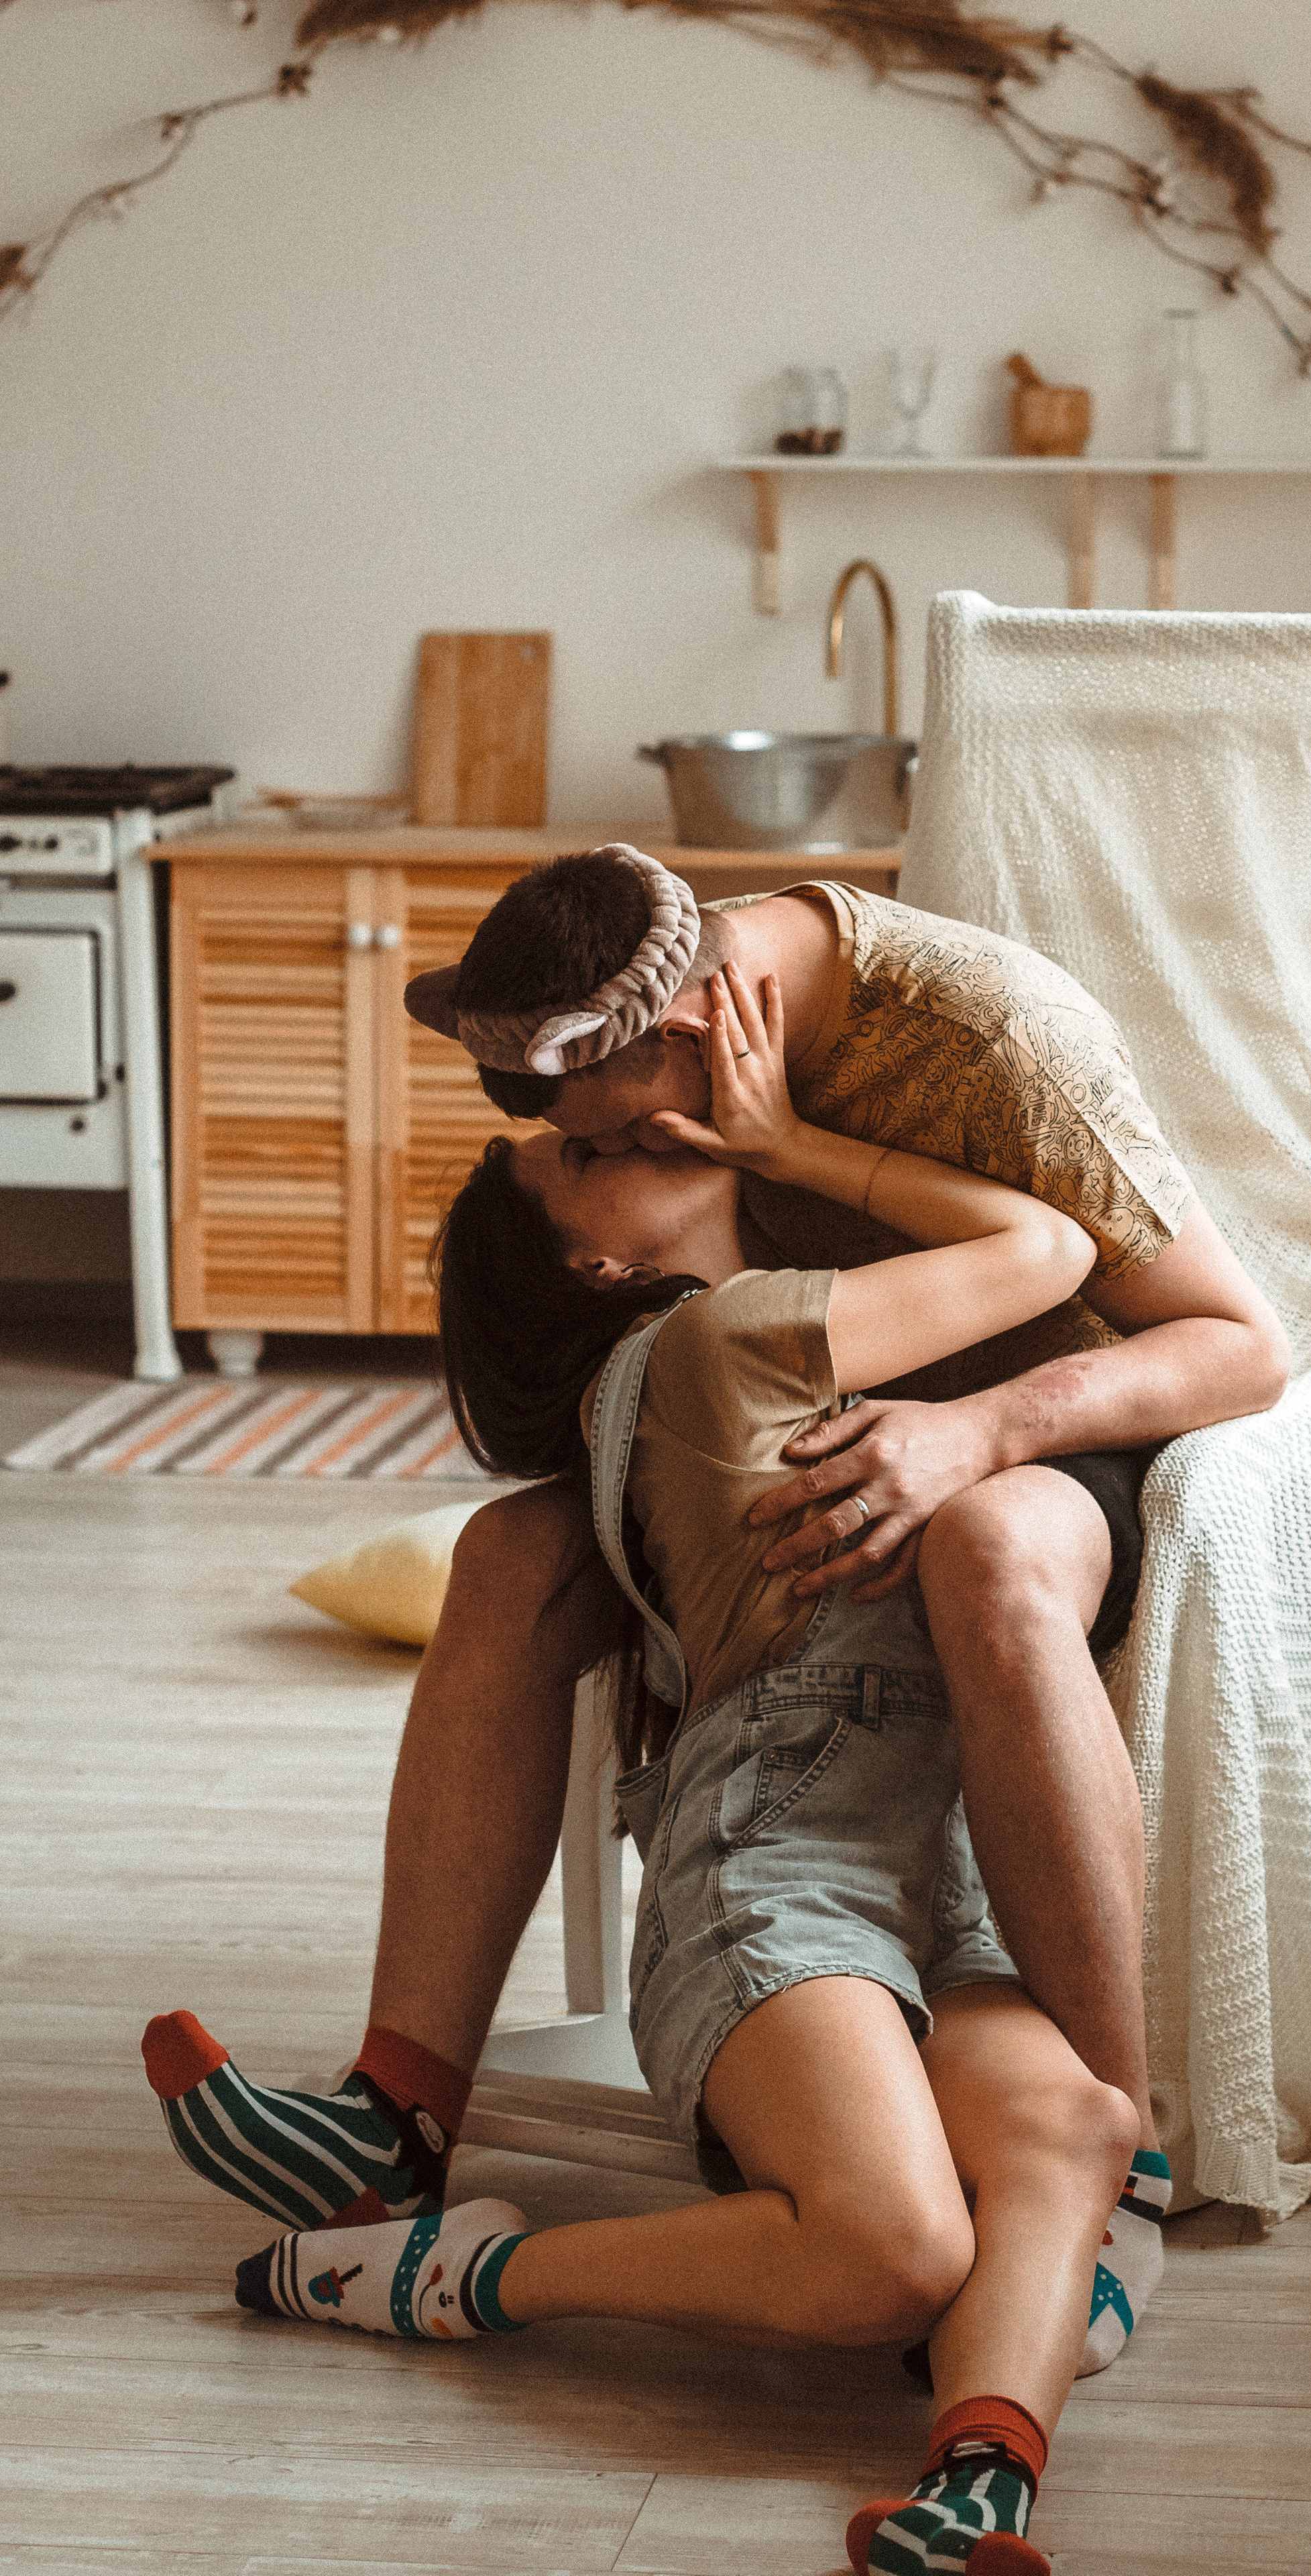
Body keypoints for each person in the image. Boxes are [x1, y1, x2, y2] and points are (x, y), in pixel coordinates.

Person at [142, 844, 1288, 2375]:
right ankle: (392, 2117)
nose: (568, 1137)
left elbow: (1236, 1345)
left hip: (1045, 1430)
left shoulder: (988, 1041)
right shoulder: (685, 1244)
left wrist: (980, 1433)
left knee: (981, 1555)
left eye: (591, 1128)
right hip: (794, 1419)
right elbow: (670, 1349)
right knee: (506, 1557)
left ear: (682, 1039)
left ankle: (1117, 2154)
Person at [217, 961, 1147, 2576]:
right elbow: (1051, 1246)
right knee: (899, 2247)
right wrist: (786, 1142)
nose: (618, 1117)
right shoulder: (726, 1345)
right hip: (774, 1867)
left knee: (1070, 2129)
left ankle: (973, 2489)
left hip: (936, 1858)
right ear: (598, 1253)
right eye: (580, 1147)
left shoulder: (748, 1350)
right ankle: (466, 2275)